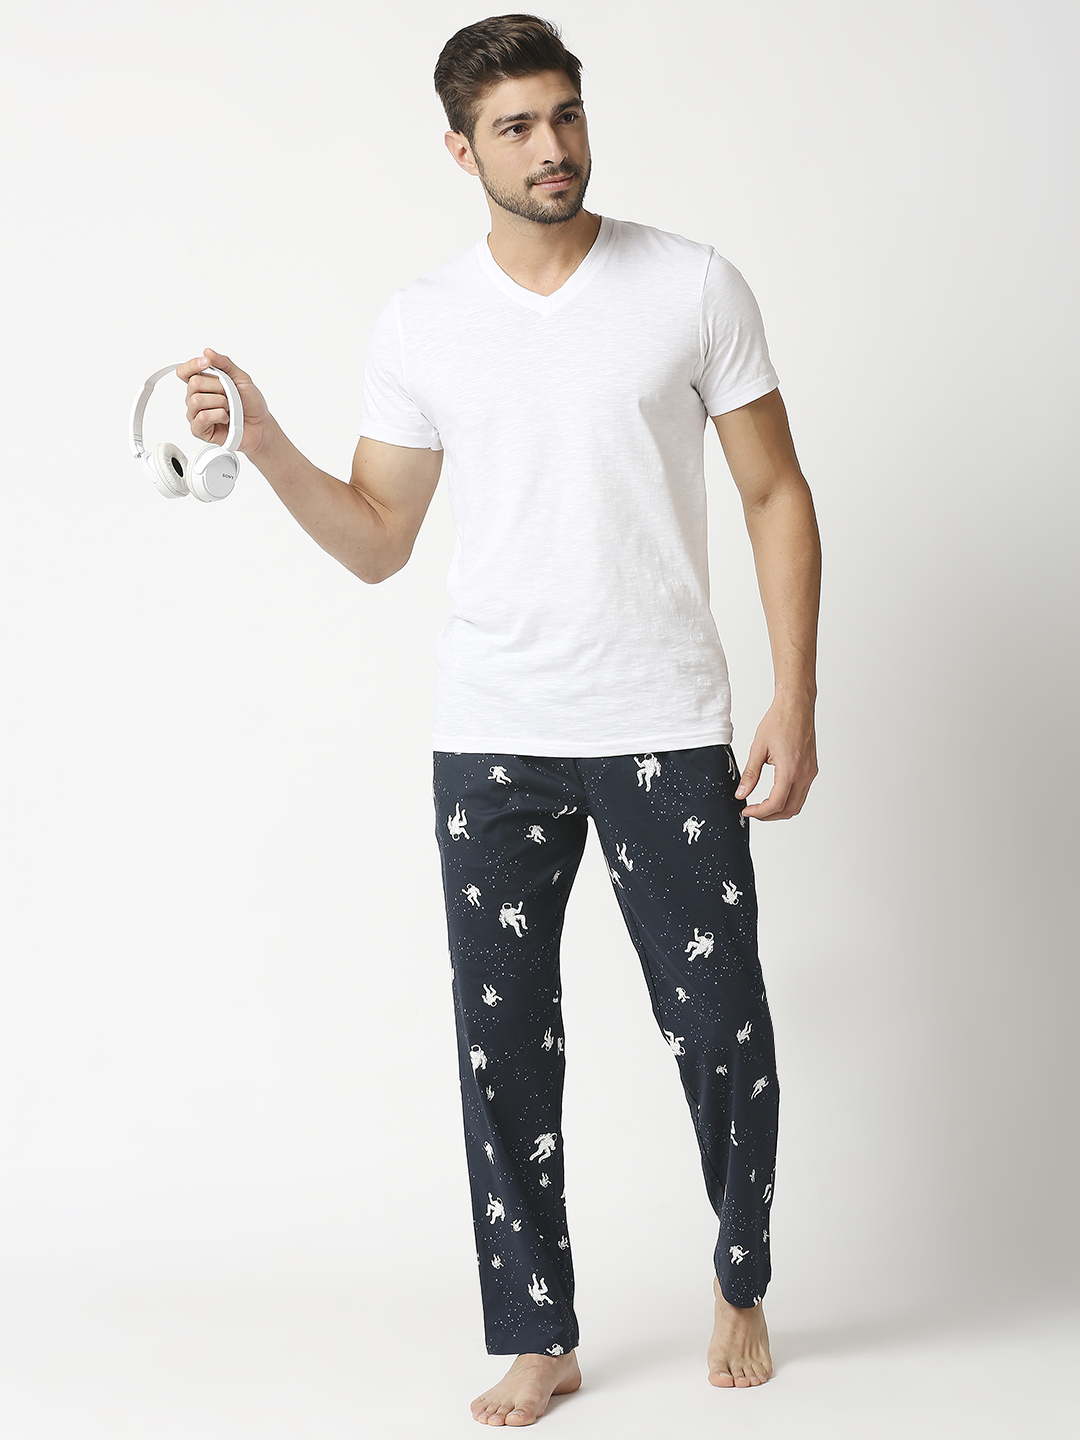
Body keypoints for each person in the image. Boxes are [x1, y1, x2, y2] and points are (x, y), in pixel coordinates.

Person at [176, 13, 820, 1426]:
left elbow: (775, 491)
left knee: (721, 1021)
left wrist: (795, 696)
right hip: (494, 732)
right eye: (517, 127)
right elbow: (378, 537)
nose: (553, 147)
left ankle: (740, 1275)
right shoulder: (423, 323)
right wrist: (267, 442)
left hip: (663, 720)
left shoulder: (692, 285)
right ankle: (539, 1333)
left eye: (565, 115)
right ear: (461, 151)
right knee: (504, 1045)